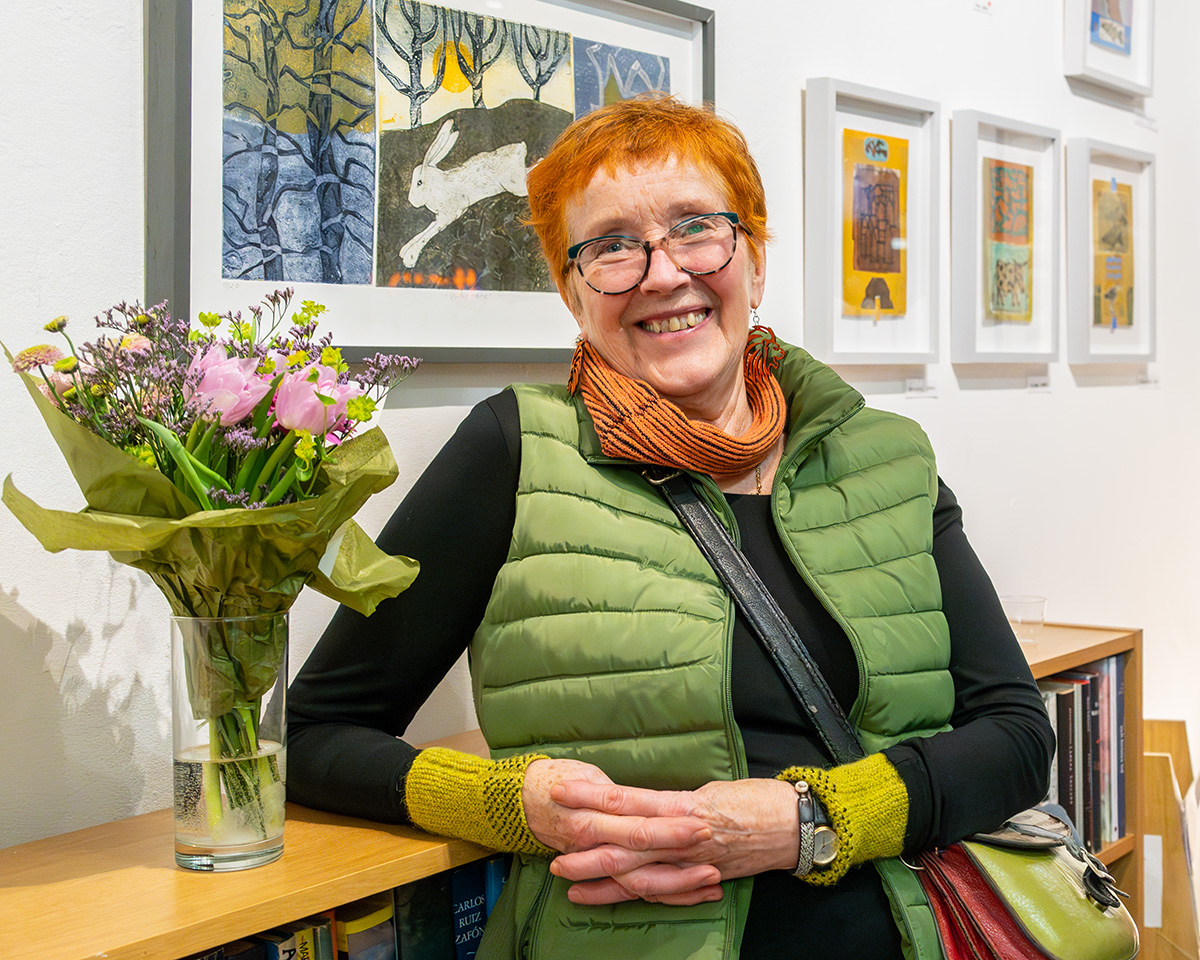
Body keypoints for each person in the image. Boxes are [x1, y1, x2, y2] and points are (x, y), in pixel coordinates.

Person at [287, 95, 1054, 960]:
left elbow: (1017, 737)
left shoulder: (884, 457)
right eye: (612, 246)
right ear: (573, 293)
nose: (661, 274)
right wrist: (506, 802)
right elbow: (313, 735)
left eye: (696, 228)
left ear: (754, 262)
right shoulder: (515, 450)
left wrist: (813, 819)